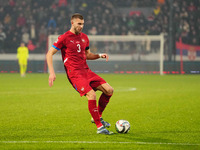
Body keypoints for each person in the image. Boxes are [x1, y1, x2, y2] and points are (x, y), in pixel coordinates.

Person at [46, 13, 114, 135]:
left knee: (109, 90)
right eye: (79, 24)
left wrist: (99, 55)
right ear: (72, 23)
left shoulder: (84, 38)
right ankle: (99, 127)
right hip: (75, 74)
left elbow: (88, 55)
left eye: (83, 24)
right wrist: (52, 73)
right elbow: (49, 53)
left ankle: (97, 117)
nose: (81, 26)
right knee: (91, 95)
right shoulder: (64, 38)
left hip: (86, 71)